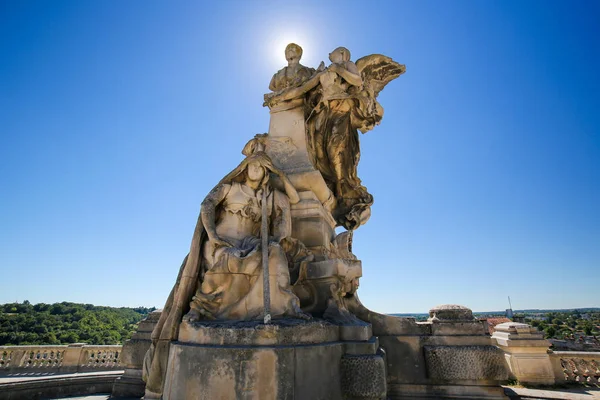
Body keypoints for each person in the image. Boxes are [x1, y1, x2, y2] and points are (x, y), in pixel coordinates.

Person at [142, 152, 307, 398]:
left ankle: (283, 305)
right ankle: (202, 307)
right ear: (245, 167)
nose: (255, 170)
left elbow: (292, 199)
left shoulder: (267, 197)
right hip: (223, 242)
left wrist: (281, 175)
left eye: (261, 168)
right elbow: (206, 205)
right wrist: (213, 234)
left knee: (274, 252)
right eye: (252, 166)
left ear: (265, 173)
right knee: (228, 258)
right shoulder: (230, 188)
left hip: (250, 242)